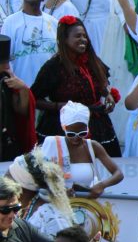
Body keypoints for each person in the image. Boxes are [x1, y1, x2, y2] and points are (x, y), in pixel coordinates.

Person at [29, 16, 120, 155]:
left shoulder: (92, 61)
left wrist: (108, 95)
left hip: (97, 126)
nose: (83, 39)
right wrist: (60, 106)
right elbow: (34, 98)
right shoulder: (54, 67)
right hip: (63, 128)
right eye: (78, 36)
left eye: (84, 36)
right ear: (65, 39)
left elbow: (103, 84)